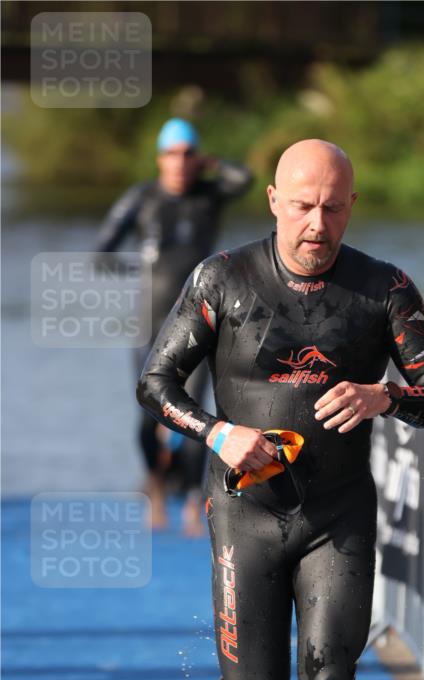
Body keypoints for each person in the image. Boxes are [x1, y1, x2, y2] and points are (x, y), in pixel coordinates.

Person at [136, 139, 424, 680]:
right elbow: (155, 382)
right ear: (275, 202)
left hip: (336, 517)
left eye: (334, 208)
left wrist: (386, 396)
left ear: (351, 207)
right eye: (304, 206)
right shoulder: (223, 279)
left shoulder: (384, 289)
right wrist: (217, 431)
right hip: (243, 513)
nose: (318, 224)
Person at [95, 118, 253, 534]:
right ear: (159, 158)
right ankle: (155, 484)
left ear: (196, 158)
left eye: (187, 155)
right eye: (172, 154)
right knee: (149, 416)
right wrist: (135, 269)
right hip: (150, 323)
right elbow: (102, 250)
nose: (180, 163)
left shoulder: (208, 195)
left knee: (196, 413)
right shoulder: (143, 198)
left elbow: (245, 178)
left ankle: (194, 501)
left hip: (200, 322)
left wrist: (211, 164)